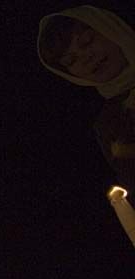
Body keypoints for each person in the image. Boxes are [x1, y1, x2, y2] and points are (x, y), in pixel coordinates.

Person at [37, 5, 135, 189]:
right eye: (70, 61)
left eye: (87, 41)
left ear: (109, 27)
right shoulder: (111, 123)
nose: (85, 58)